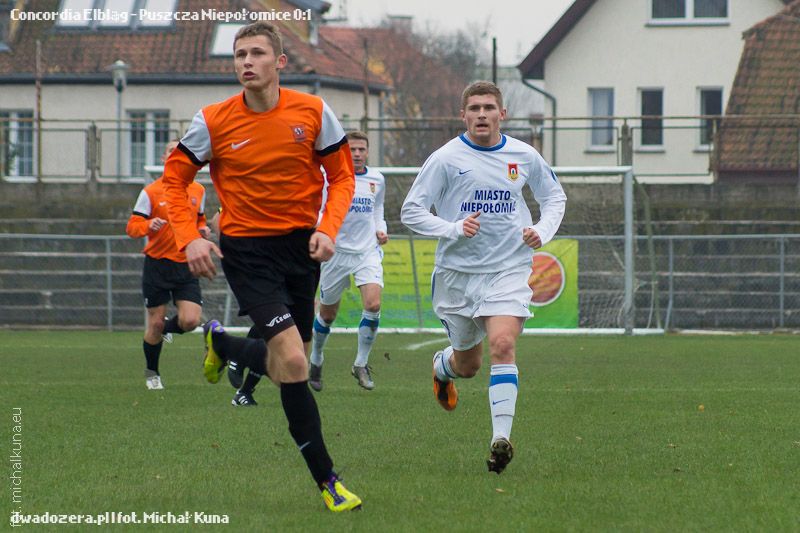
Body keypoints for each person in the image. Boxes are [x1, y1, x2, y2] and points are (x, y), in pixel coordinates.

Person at [161, 22, 361, 511]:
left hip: (301, 250)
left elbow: (342, 178)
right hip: (248, 252)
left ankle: (223, 343)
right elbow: (172, 182)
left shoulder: (314, 111)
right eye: (239, 55)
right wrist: (189, 238)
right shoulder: (212, 120)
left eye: (256, 53)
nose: (246, 62)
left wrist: (328, 229)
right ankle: (329, 482)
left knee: (286, 367)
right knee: (294, 363)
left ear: (280, 62)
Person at [400, 81, 567, 474]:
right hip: (457, 275)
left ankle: (500, 440)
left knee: (503, 344)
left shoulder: (523, 155)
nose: (481, 114)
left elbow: (554, 198)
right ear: (463, 115)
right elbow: (411, 211)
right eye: (474, 108)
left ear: (501, 114)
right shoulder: (445, 158)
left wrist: (541, 231)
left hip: (508, 268)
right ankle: (443, 367)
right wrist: (453, 228)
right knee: (469, 366)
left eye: (489, 107)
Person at [125, 140, 210, 390]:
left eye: (179, 150)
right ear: (164, 159)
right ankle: (152, 373)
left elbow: (200, 219)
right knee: (155, 323)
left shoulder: (198, 190)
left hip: (186, 264)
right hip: (158, 265)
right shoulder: (151, 192)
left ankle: (167, 329)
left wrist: (203, 229)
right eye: (171, 151)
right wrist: (147, 225)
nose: (175, 154)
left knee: (191, 321)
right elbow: (132, 226)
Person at [309, 130, 388, 392]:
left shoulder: (377, 178)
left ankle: (361, 363)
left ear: (368, 152)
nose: (357, 154)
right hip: (335, 252)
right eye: (352, 149)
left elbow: (377, 210)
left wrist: (381, 228)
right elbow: (319, 210)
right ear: (344, 152)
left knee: (373, 304)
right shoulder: (329, 178)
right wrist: (322, 232)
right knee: (327, 315)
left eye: (361, 149)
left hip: (367, 251)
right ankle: (316, 358)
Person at [208, 208, 265, 407]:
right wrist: (233, 251)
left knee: (274, 330)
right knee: (277, 330)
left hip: (288, 262)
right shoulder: (250, 194)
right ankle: (229, 350)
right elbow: (217, 219)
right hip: (262, 265)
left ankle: (237, 360)